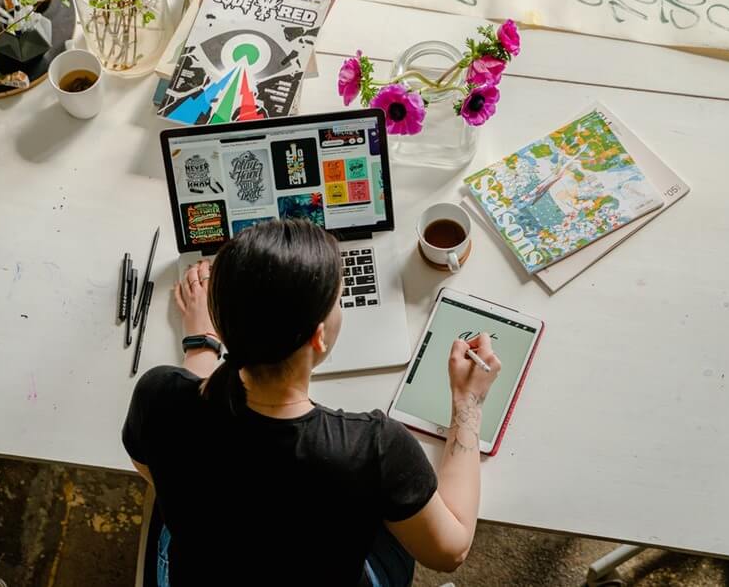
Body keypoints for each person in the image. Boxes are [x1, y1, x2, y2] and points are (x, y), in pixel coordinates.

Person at [122, 219, 502, 587]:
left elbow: (151, 464)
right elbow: (449, 552)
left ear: (223, 325)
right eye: (339, 300)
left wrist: (200, 340)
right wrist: (468, 402)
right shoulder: (373, 448)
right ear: (318, 338)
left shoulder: (158, 396)